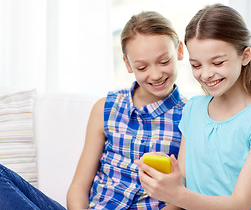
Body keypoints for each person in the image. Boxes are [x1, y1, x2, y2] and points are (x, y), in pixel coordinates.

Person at [0, 11, 186, 210]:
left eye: (164, 62)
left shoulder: (190, 116)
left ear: (180, 51)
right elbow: (78, 188)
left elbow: (181, 198)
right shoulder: (106, 108)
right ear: (127, 64)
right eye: (142, 67)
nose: (156, 74)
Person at [135, 3, 251, 210]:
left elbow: (239, 204)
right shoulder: (193, 109)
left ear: (245, 56)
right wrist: (169, 184)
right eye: (196, 65)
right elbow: (185, 183)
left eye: (217, 63)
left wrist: (178, 194)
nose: (205, 74)